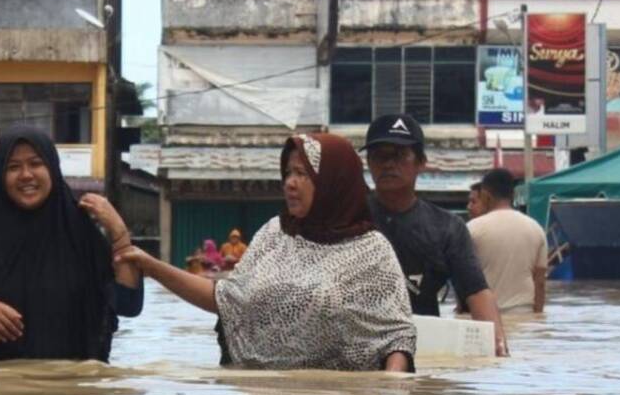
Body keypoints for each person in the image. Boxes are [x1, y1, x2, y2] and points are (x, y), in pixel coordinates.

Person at [116, 133, 415, 372]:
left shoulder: (373, 251)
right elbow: (226, 299)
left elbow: (396, 337)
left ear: (332, 182)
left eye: (301, 173)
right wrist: (150, 266)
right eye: (287, 173)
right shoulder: (274, 234)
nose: (290, 183)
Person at [0, 124, 142, 362]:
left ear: (52, 168)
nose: (26, 175)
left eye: (35, 163)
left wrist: (118, 230)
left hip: (72, 387)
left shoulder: (80, 233)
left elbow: (128, 303)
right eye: (13, 167)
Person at [362, 113, 509, 356]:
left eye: (399, 155)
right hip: (360, 347)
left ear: (421, 162)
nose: (388, 164)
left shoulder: (447, 228)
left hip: (423, 350)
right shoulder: (348, 218)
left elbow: (476, 291)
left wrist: (498, 349)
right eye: (379, 156)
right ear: (368, 163)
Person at [468, 168, 548, 313]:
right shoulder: (536, 229)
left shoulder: (472, 229)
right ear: (513, 194)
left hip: (486, 314)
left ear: (485, 195)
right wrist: (538, 319)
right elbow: (540, 282)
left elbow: (464, 278)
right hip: (525, 315)